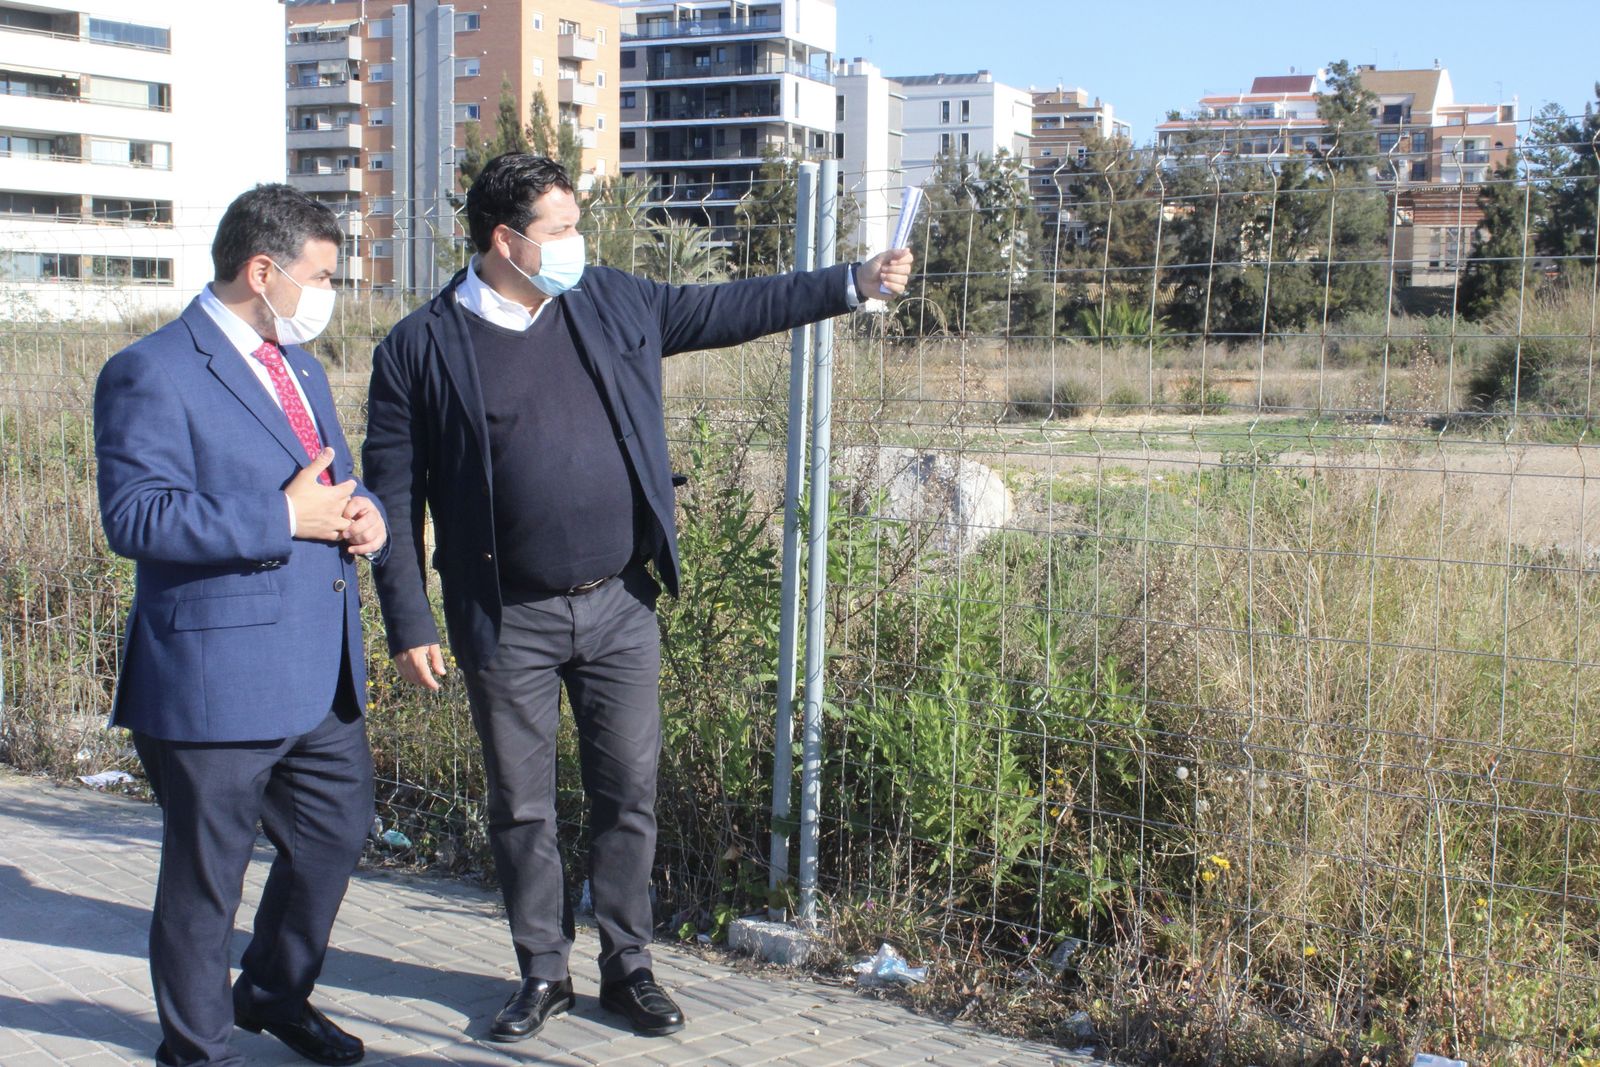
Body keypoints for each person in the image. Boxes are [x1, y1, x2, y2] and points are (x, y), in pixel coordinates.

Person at [363, 153, 912, 1043]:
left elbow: (730, 308)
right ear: (506, 241)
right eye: (562, 229)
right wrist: (408, 619)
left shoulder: (610, 301)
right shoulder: (421, 349)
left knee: (629, 793)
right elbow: (390, 497)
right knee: (522, 805)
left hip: (620, 603)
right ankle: (543, 971)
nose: (580, 243)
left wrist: (850, 282)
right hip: (508, 618)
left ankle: (630, 965)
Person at [93, 184, 388, 1067]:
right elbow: (136, 518)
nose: (332, 293)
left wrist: (361, 511)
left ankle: (270, 991)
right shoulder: (151, 368)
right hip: (214, 679)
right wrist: (280, 517)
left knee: (335, 836)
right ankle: (197, 1049)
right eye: (322, 276)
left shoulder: (292, 362)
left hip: (316, 671)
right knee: (204, 884)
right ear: (262, 270)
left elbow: (325, 477)